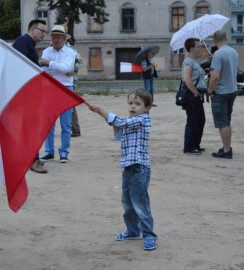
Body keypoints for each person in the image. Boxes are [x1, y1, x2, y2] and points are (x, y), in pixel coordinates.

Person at [88, 88, 158, 251]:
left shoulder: (143, 119)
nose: (133, 106)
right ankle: (133, 231)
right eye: (130, 103)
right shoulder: (130, 120)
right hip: (128, 169)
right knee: (127, 203)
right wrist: (112, 122)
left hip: (139, 169)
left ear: (147, 108)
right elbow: (119, 135)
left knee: (141, 204)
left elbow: (121, 123)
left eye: (138, 104)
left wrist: (101, 111)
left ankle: (149, 235)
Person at [12, 19, 48, 173]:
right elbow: (20, 67)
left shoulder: (28, 44)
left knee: (30, 128)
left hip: (30, 94)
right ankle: (32, 161)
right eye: (42, 31)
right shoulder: (23, 42)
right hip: (25, 95)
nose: (44, 35)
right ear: (33, 29)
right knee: (30, 128)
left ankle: (29, 159)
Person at [38, 25, 76, 163]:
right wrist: (58, 68)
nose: (55, 40)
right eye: (53, 37)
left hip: (66, 88)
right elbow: (46, 71)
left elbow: (66, 68)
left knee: (66, 124)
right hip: (50, 88)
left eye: (58, 37)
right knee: (49, 122)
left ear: (64, 38)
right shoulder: (47, 51)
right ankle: (49, 152)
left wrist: (49, 64)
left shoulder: (71, 53)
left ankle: (64, 152)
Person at [207, 30, 238, 159]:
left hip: (221, 92)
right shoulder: (233, 52)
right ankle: (227, 146)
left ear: (214, 40)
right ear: (226, 38)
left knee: (222, 122)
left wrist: (210, 90)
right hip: (232, 90)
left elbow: (215, 77)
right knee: (227, 121)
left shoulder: (218, 55)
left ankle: (226, 150)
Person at [181, 38, 206, 155]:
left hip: (197, 95)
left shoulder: (194, 61)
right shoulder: (188, 62)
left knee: (200, 120)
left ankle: (196, 144)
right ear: (191, 48)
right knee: (193, 121)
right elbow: (187, 79)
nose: (200, 48)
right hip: (192, 95)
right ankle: (189, 147)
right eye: (198, 46)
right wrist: (195, 92)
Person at [66, 42, 83, 137]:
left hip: (71, 81)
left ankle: (76, 129)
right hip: (58, 81)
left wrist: (73, 70)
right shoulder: (53, 49)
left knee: (70, 105)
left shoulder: (72, 49)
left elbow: (80, 62)